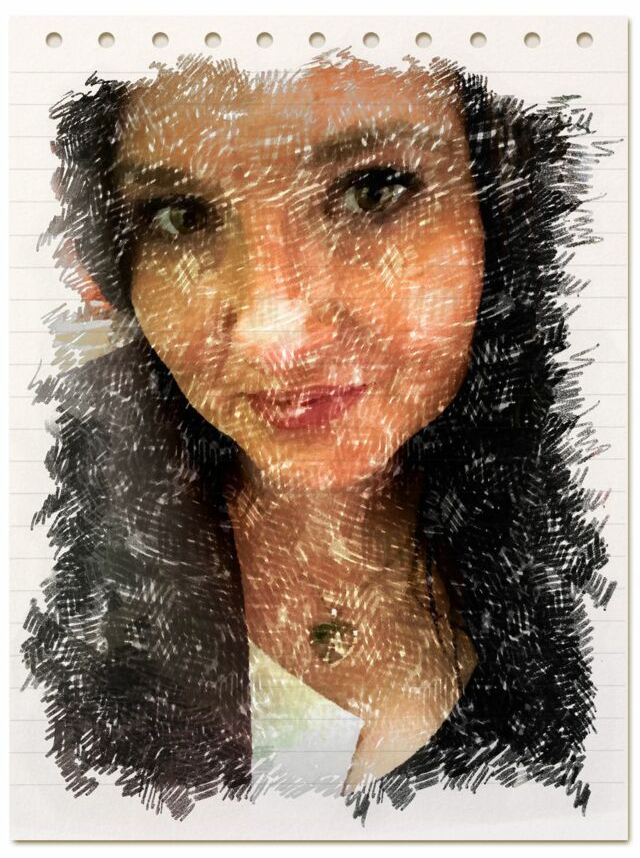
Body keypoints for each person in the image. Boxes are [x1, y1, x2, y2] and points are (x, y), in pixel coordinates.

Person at [22, 49, 615, 824]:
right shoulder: (42, 559)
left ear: (504, 212)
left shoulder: (600, 566)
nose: (277, 338)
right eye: (179, 216)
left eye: (373, 189)